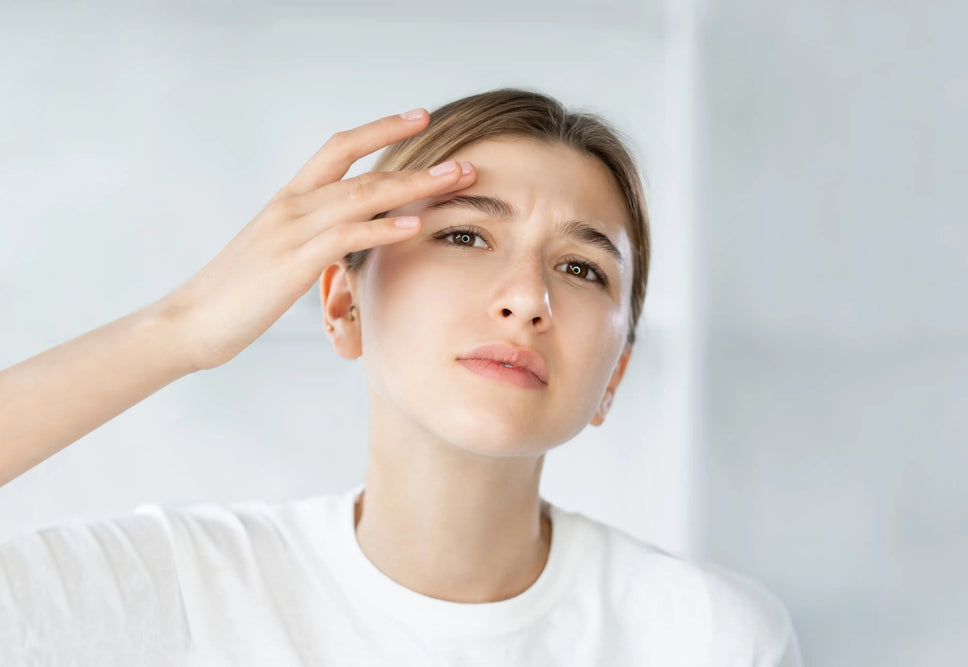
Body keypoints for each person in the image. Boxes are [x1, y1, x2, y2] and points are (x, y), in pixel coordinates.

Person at [0, 88, 802, 665]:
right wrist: (176, 330)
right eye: (464, 237)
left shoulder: (708, 637)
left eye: (581, 267)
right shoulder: (180, 588)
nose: (528, 300)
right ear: (343, 303)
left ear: (616, 373)